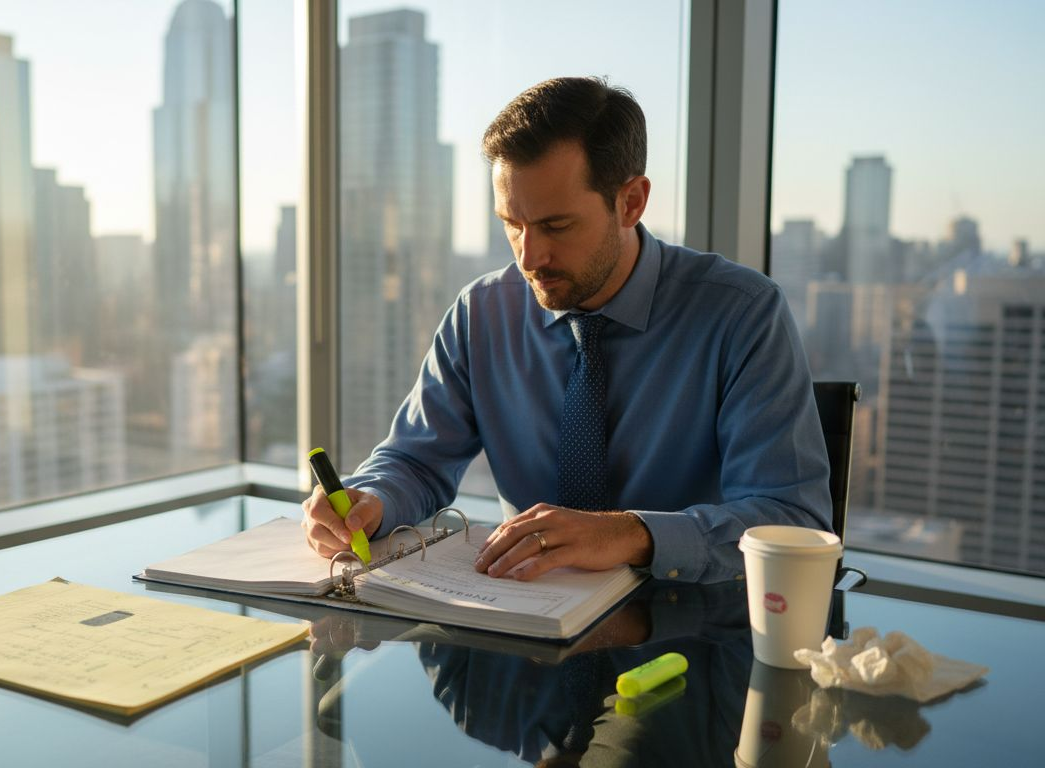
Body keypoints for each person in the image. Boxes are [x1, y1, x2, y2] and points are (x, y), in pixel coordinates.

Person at [302, 76, 830, 584]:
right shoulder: (480, 313)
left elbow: (792, 520)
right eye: (512, 224)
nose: (529, 257)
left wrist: (632, 535)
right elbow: (415, 460)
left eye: (556, 225)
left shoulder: (741, 314)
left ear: (631, 202)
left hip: (692, 624)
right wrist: (371, 500)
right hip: (524, 616)